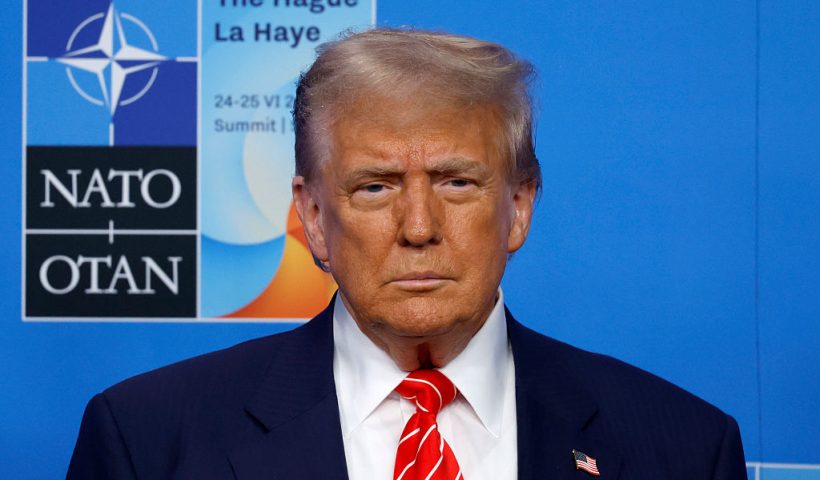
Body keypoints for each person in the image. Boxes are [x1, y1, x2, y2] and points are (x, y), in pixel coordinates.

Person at [68, 28, 747, 480]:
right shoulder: (148, 441)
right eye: (375, 186)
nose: (418, 226)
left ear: (518, 206)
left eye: (457, 182)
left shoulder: (683, 448)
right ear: (312, 217)